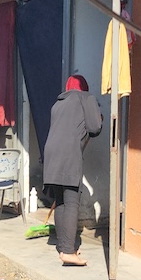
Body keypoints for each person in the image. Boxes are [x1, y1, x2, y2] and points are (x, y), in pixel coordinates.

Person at [42, 75, 103, 266]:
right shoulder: (86, 98)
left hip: (51, 154)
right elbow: (94, 128)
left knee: (61, 201)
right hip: (69, 154)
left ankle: (64, 246)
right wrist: (98, 118)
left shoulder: (57, 104)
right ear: (83, 87)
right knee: (71, 201)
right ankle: (68, 252)